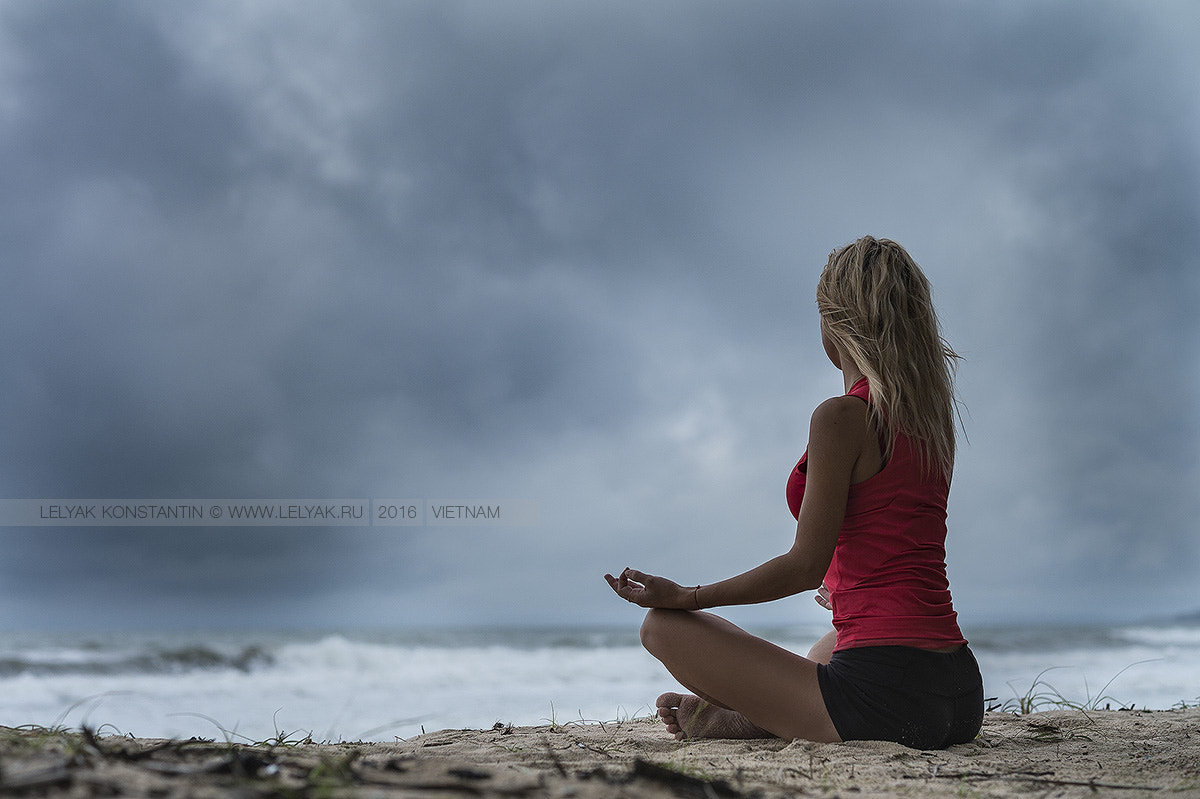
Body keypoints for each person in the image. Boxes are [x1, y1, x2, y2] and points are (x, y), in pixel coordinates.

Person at [604, 236, 983, 749]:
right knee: (831, 644)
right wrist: (844, 586)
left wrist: (685, 596)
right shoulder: (930, 422)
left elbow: (803, 565)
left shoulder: (842, 416)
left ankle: (762, 714)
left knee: (662, 628)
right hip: (959, 693)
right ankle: (763, 715)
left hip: (888, 698)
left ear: (834, 324)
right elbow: (895, 536)